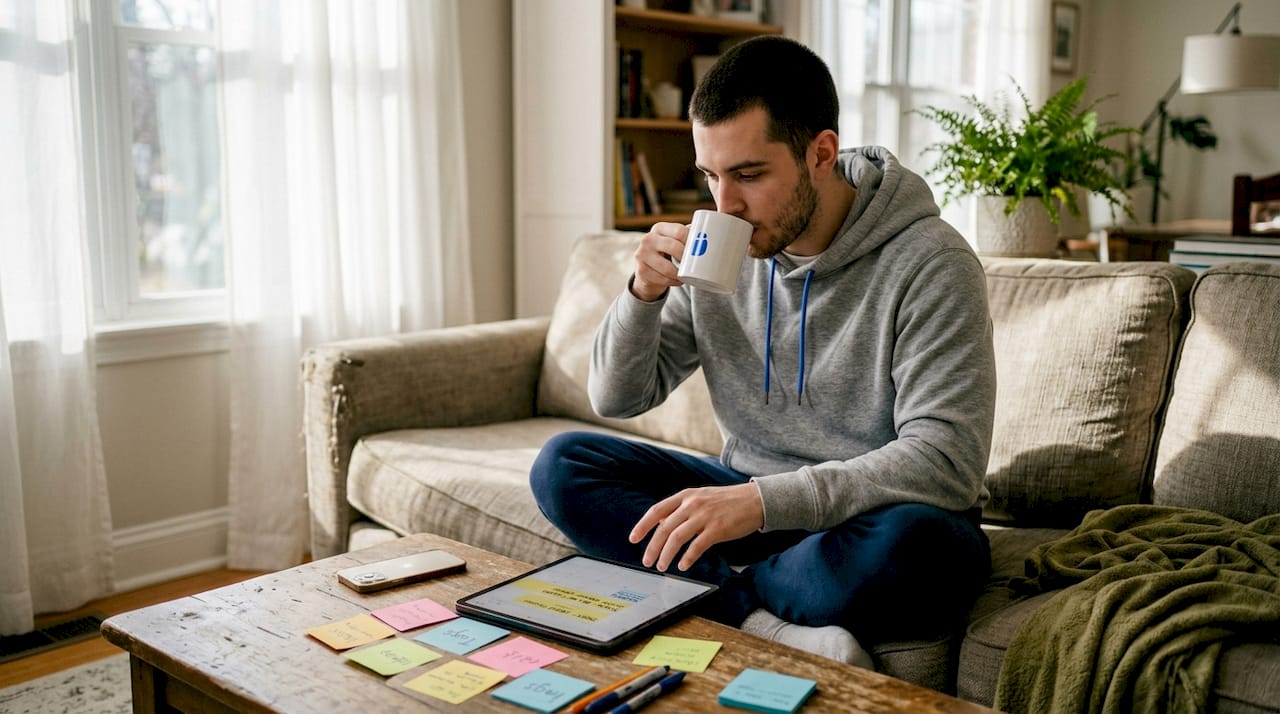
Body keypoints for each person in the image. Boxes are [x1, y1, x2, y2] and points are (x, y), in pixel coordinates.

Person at [530, 35, 995, 668]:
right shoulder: (722, 248)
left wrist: (761, 504)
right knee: (564, 464)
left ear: (821, 154)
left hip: (867, 517)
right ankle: (759, 617)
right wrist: (641, 294)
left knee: (921, 545)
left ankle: (712, 595)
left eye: (749, 175)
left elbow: (946, 461)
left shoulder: (931, 263)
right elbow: (618, 397)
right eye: (710, 176)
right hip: (748, 500)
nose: (727, 206)